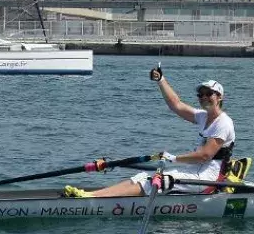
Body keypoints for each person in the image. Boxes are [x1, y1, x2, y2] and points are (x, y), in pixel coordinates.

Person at [63, 65, 235, 198]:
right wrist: (161, 80)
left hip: (208, 178)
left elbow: (204, 156)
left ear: (219, 97)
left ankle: (93, 198)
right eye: (200, 94)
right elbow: (176, 104)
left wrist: (173, 158)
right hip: (195, 171)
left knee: (156, 180)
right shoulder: (203, 117)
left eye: (209, 94)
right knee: (144, 176)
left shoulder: (223, 123)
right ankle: (92, 195)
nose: (204, 97)